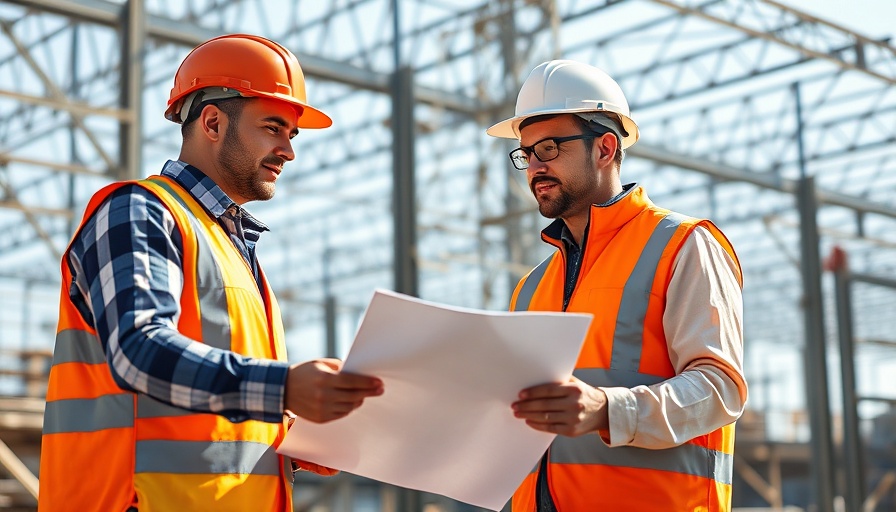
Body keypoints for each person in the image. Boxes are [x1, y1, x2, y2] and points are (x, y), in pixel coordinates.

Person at [38, 34, 383, 512]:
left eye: (291, 134)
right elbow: (138, 351)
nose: (288, 150)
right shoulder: (140, 211)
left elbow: (212, 421)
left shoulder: (232, 250)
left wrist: (304, 431)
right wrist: (285, 388)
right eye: (273, 127)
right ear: (214, 122)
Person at [488, 60, 747, 511]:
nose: (533, 167)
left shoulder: (683, 245)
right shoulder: (529, 288)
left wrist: (608, 410)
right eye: (525, 154)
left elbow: (719, 388)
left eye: (548, 148)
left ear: (605, 148)